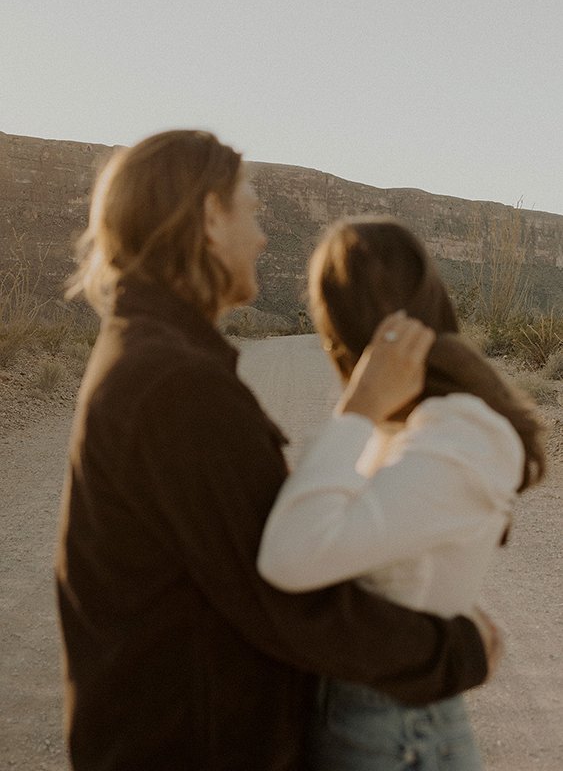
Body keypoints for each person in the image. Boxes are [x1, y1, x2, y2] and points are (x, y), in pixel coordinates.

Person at [57, 131, 496, 771]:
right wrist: (456, 649)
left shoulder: (147, 357)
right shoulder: (175, 385)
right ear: (210, 216)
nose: (264, 236)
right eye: (253, 209)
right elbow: (286, 600)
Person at [258, 216, 545, 770]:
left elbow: (291, 556)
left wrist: (359, 406)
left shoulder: (459, 432)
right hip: (384, 714)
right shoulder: (418, 428)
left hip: (393, 727)